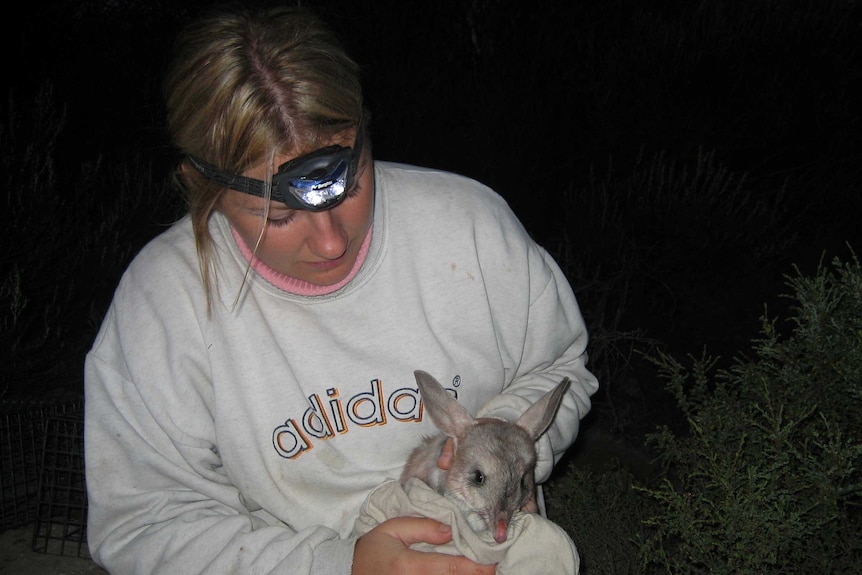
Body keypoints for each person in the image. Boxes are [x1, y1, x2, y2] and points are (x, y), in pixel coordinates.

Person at [83, 5, 599, 575]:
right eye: (276, 217)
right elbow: (146, 524)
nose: (331, 243)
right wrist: (342, 566)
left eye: (350, 185)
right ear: (200, 186)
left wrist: (497, 446)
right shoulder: (164, 304)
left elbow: (558, 365)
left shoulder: (471, 226)